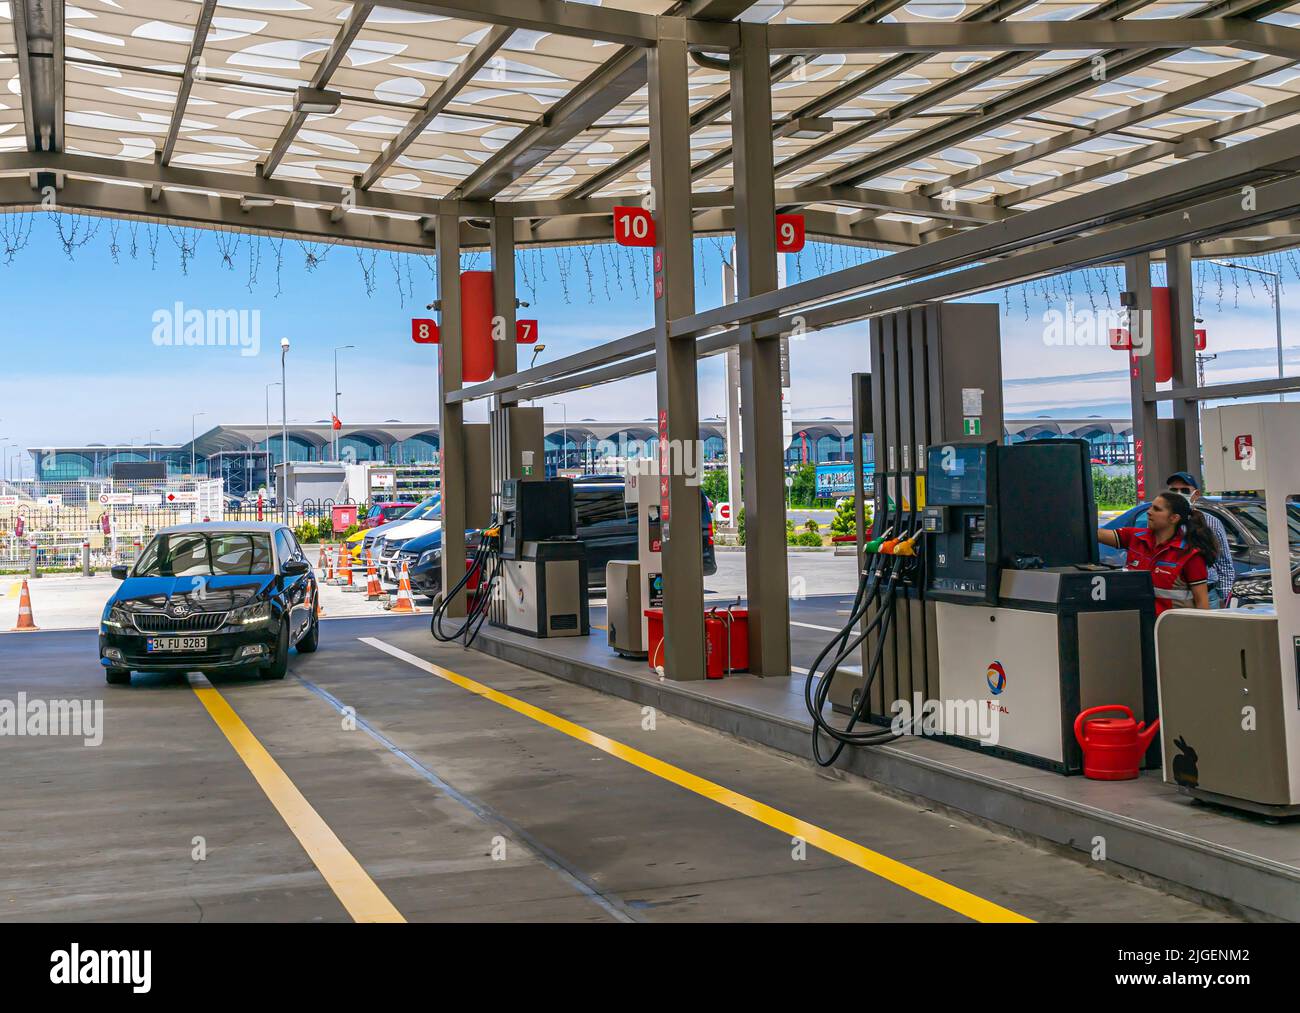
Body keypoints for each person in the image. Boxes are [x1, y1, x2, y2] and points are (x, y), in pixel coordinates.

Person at [1098, 490, 1215, 614]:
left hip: (1172, 629)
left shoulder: (1190, 555)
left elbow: (1202, 603)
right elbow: (1097, 534)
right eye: (1150, 507)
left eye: (1156, 509)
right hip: (1136, 625)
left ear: (1174, 518)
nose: (1149, 512)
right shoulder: (1134, 537)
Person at [1166, 471, 1234, 608]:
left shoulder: (1212, 523)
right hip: (1173, 597)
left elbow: (1225, 565)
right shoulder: (1161, 522)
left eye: (1184, 490)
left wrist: (1226, 601)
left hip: (1208, 595)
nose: (1178, 494)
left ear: (1196, 494)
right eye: (1174, 490)